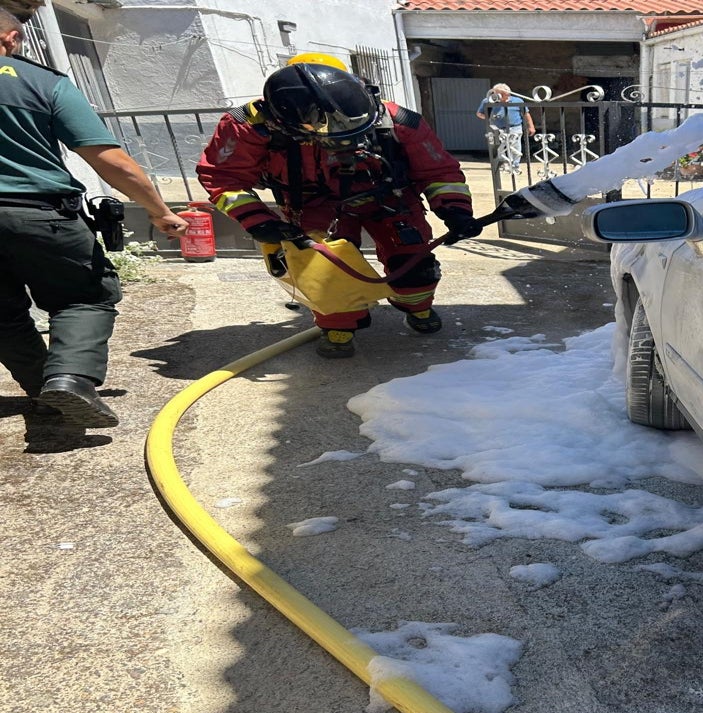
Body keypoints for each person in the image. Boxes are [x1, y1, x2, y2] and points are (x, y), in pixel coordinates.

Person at [197, 55, 481, 359]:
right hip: (313, 204)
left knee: (414, 262)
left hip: (389, 197)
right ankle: (339, 328)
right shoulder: (249, 127)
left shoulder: (396, 120)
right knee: (323, 270)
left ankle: (419, 308)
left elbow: (439, 171)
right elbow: (223, 177)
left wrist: (455, 210)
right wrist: (257, 220)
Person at [0, 9, 189, 427]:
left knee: (4, 315)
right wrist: (160, 212)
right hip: (38, 214)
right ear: (11, 38)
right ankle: (68, 381)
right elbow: (111, 162)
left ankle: (44, 389)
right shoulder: (40, 82)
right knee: (83, 297)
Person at [476, 83, 535, 175]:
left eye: (504, 94)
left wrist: (531, 126)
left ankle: (515, 165)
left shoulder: (518, 100)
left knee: (515, 148)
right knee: (500, 148)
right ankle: (504, 165)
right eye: (499, 94)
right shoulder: (488, 101)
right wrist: (490, 117)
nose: (502, 96)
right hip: (497, 129)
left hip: (515, 127)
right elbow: (479, 114)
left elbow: (526, 114)